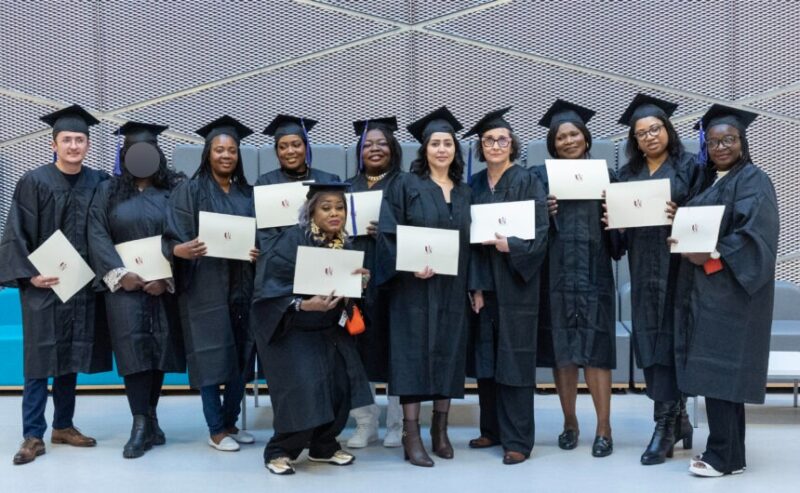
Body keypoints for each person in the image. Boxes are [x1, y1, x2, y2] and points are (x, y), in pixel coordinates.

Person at [669, 105, 779, 477]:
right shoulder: (710, 180)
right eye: (713, 141)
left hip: (733, 295)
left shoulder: (754, 180)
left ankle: (720, 457)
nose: (720, 147)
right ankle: (732, 455)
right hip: (709, 293)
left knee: (721, 374)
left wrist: (712, 256)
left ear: (742, 142)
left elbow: (755, 238)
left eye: (728, 140)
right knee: (720, 377)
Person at [0, 105, 111, 465]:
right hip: (43, 285)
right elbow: (16, 233)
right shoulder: (34, 181)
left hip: (81, 285)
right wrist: (30, 274)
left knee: (71, 355)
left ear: (88, 145)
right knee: (39, 359)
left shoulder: (99, 182)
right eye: (67, 140)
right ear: (54, 144)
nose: (74, 146)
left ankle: (63, 425)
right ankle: (33, 434)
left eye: (80, 140)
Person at [251, 182, 373, 475]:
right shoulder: (289, 240)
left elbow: (346, 291)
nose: (335, 213)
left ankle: (323, 446)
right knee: (303, 390)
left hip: (330, 330)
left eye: (340, 207)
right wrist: (303, 305)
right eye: (326, 207)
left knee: (338, 387)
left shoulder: (345, 243)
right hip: (293, 329)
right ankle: (280, 450)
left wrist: (360, 282)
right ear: (311, 211)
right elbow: (268, 291)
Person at [376, 107, 471, 467]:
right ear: (424, 149)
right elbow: (388, 231)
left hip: (452, 286)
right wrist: (410, 265)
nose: (442, 149)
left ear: (455, 151)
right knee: (411, 357)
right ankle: (411, 435)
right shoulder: (405, 184)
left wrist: (474, 286)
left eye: (448, 143)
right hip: (413, 288)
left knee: (448, 354)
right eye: (435, 143)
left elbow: (471, 243)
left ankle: (440, 431)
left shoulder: (464, 191)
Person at [87, 122, 186, 458]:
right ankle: (140, 421)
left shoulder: (174, 191)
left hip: (162, 285)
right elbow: (97, 234)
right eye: (134, 153)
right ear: (124, 155)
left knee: (159, 350)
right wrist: (119, 273)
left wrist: (167, 276)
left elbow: (181, 234)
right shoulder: (107, 191)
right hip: (124, 289)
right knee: (133, 353)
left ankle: (152, 416)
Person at [162, 116, 258, 452]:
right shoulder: (188, 191)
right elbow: (171, 237)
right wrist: (181, 249)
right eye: (219, 150)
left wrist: (258, 250)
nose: (226, 155)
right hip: (204, 286)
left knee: (242, 353)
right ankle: (215, 428)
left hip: (243, 284)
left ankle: (231, 421)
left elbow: (260, 234)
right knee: (209, 355)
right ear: (208, 154)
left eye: (232, 150)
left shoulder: (248, 193)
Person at [615, 94, 699, 465]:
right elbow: (617, 237)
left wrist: (682, 213)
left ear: (667, 130)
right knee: (649, 342)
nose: (649, 137)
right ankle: (677, 418)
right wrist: (609, 220)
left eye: (655, 129)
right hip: (642, 269)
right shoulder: (628, 175)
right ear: (634, 140)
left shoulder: (691, 168)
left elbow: (706, 215)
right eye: (641, 133)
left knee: (673, 343)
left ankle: (664, 426)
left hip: (679, 271)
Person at [533, 100, 618, 458]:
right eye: (561, 136)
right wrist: (543, 210)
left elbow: (618, 244)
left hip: (595, 274)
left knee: (597, 352)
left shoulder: (607, 176)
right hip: (556, 275)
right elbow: (531, 229)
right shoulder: (540, 178)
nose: (568, 141)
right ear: (553, 144)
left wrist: (613, 215)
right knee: (563, 351)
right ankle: (570, 422)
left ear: (586, 138)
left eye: (574, 134)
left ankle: (604, 428)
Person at [465, 108, 549, 465]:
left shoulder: (529, 180)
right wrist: (476, 287)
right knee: (487, 357)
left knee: (514, 359)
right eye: (488, 141)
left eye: (502, 139)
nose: (496, 145)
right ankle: (492, 429)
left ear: (511, 144)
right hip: (486, 283)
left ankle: (518, 440)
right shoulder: (475, 186)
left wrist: (510, 246)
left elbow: (542, 231)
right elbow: (467, 240)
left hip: (518, 284)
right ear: (480, 148)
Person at [343, 117, 404, 449]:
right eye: (368, 144)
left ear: (392, 147)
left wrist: (387, 231)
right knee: (356, 353)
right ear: (359, 150)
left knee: (397, 352)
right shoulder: (347, 187)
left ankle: (397, 423)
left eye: (381, 143)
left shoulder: (406, 185)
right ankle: (365, 423)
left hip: (394, 283)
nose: (374, 149)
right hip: (356, 284)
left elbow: (417, 231)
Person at [256, 115, 340, 185]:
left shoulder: (328, 181)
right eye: (282, 147)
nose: (290, 151)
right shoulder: (265, 183)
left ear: (306, 147)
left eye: (296, 145)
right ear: (277, 152)